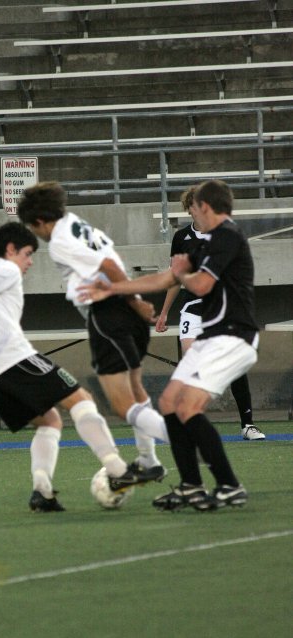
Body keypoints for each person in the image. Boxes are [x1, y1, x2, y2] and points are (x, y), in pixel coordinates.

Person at [78, 180, 259, 511]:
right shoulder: (204, 242)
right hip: (212, 336)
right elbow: (165, 279)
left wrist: (182, 274)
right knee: (170, 402)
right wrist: (114, 291)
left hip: (235, 336)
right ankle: (191, 486)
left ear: (205, 207)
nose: (190, 211)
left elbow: (201, 285)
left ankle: (230, 485)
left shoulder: (228, 237)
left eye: (194, 207)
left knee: (188, 407)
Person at [0, 221, 156, 513]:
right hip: (15, 358)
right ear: (10, 250)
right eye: (27, 254)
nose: (29, 262)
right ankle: (117, 469)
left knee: (50, 421)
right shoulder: (6, 269)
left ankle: (42, 492)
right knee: (82, 400)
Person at [17, 181, 169, 482]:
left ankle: (192, 442)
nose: (35, 234)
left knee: (121, 404)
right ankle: (148, 460)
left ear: (38, 222)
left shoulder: (59, 241)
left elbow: (109, 266)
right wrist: (135, 302)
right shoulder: (75, 222)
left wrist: (135, 302)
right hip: (124, 312)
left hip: (109, 313)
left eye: (32, 228)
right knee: (136, 392)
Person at [155, 186, 265, 441]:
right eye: (192, 207)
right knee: (189, 360)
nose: (197, 211)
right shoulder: (182, 237)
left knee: (234, 366)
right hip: (193, 308)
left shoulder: (225, 235)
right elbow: (174, 278)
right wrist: (163, 313)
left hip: (222, 310)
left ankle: (247, 424)